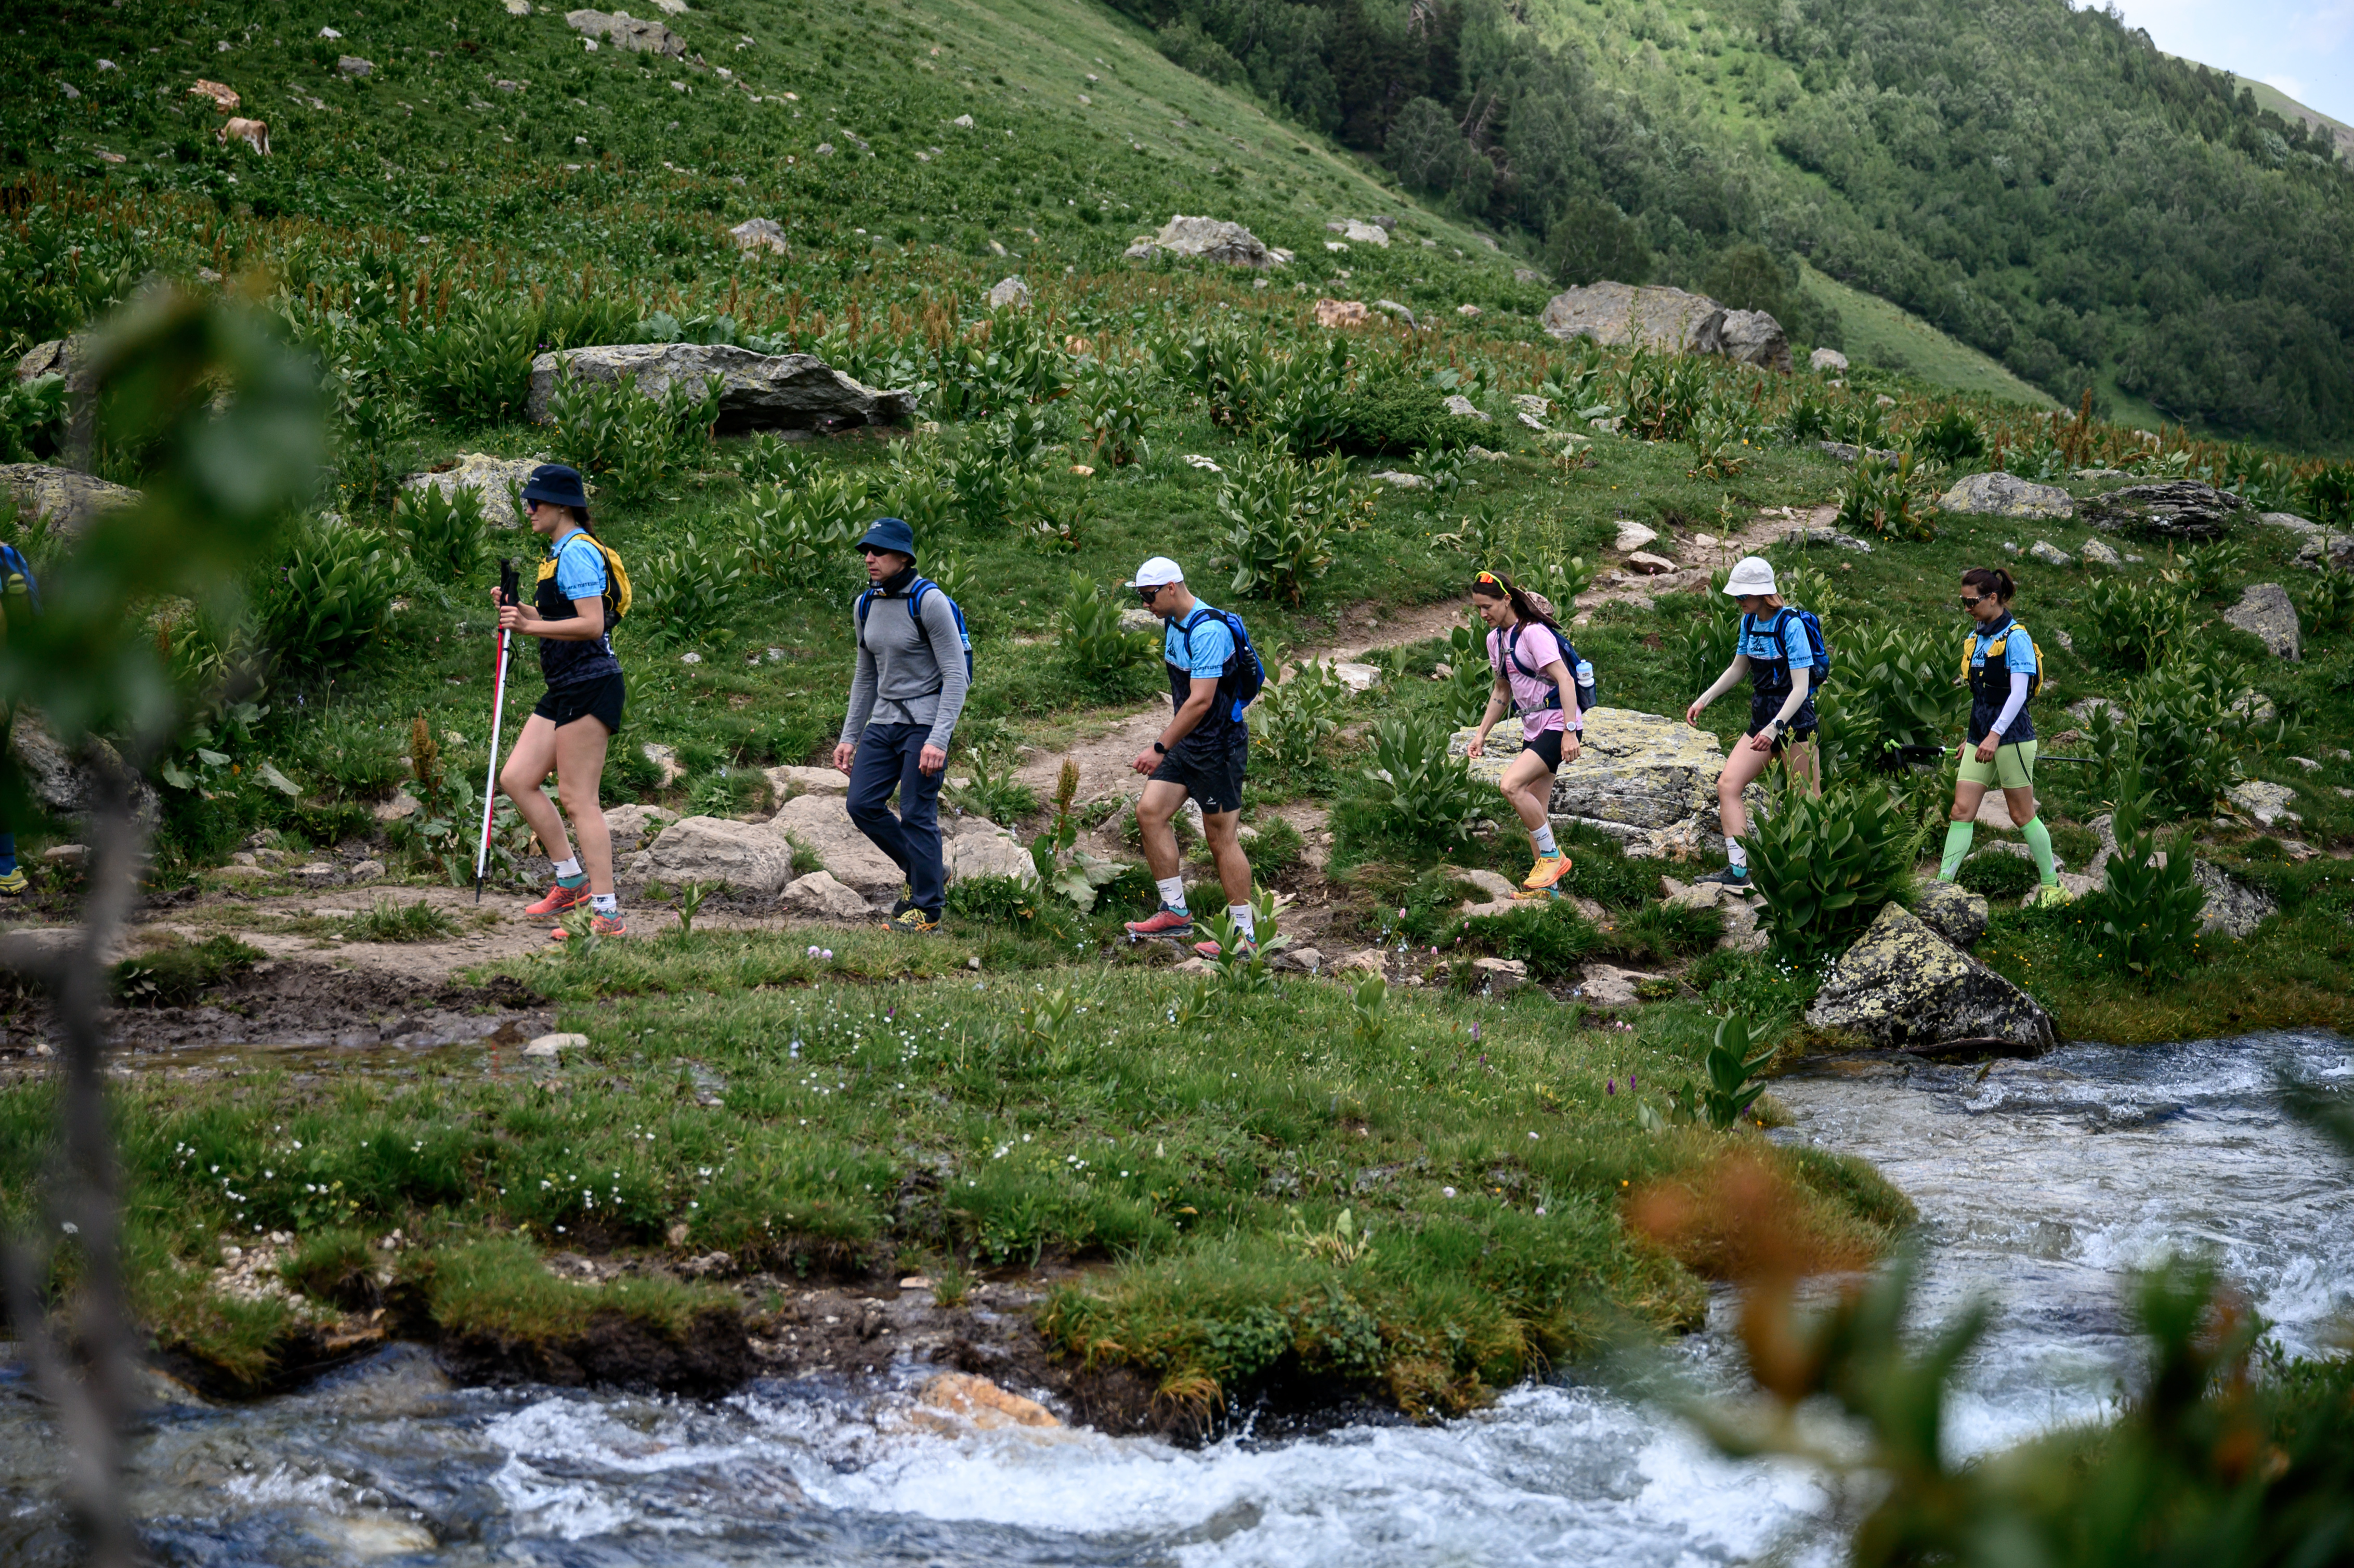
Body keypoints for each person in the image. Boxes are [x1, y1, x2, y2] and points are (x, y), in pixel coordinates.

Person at [494, 464, 628, 940]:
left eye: (537, 501)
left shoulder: (576, 553)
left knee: (577, 798)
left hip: (591, 684)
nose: (529, 508)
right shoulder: (559, 553)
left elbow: (591, 624)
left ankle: (608, 914)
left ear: (562, 506)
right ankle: (571, 882)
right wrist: (519, 611)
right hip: (566, 684)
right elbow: (559, 617)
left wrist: (528, 627)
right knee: (517, 778)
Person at [833, 517, 970, 936]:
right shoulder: (865, 604)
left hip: (924, 725)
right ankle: (926, 872)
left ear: (904, 558)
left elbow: (956, 675)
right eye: (867, 552)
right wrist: (849, 735)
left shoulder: (929, 602)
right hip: (885, 721)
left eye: (879, 551)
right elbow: (866, 674)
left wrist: (938, 739)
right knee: (861, 804)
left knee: (915, 813)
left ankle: (927, 911)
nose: (870, 559)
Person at [1119, 557, 1258, 959]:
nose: (1146, 605)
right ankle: (1175, 912)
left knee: (1221, 839)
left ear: (1171, 588)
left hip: (1218, 749)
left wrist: (1159, 747)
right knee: (1149, 812)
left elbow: (1200, 701)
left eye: (1149, 596)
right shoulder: (1173, 622)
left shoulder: (1209, 630)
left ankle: (1245, 937)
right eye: (1142, 598)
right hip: (1188, 747)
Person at [1684, 555, 1820, 892]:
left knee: (1807, 799)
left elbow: (1801, 688)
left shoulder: (1791, 626)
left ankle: (1816, 874)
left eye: (1743, 595)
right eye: (1737, 596)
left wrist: (1775, 728)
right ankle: (1738, 869)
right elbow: (1738, 668)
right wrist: (1705, 698)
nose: (1739, 601)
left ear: (1764, 593)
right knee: (1728, 785)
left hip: (1794, 725)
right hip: (1761, 721)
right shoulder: (1748, 623)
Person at [1939, 566, 2069, 906]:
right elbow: (1980, 694)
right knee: (1961, 810)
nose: (1968, 610)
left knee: (2022, 815)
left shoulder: (2016, 638)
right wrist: (1972, 739)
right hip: (1978, 735)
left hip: (2011, 736)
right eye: (1963, 603)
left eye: (1972, 603)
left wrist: (1995, 735)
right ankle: (1941, 886)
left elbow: (2018, 694)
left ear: (1993, 598)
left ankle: (2052, 887)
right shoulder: (1978, 637)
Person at [1464, 570, 1580, 897]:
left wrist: (1570, 732)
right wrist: (1481, 734)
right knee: (1535, 810)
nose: (1483, 614)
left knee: (1510, 785)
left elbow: (1566, 681)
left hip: (1559, 722)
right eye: (1478, 608)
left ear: (1507, 600)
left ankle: (1553, 858)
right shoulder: (1495, 641)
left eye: (1488, 606)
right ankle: (1548, 891)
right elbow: (1502, 691)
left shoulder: (1534, 634)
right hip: (1534, 726)